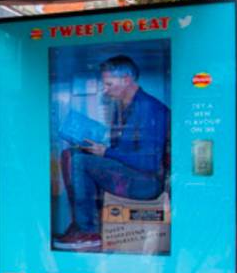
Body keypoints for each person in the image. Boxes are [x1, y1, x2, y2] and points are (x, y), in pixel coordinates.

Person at [55, 55, 170, 251]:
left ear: (126, 80)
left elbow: (149, 163)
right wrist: (101, 146)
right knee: (70, 154)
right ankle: (81, 224)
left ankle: (88, 231)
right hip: (133, 174)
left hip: (146, 183)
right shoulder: (124, 107)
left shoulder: (150, 108)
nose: (105, 90)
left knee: (80, 162)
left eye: (109, 84)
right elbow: (127, 150)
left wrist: (106, 152)